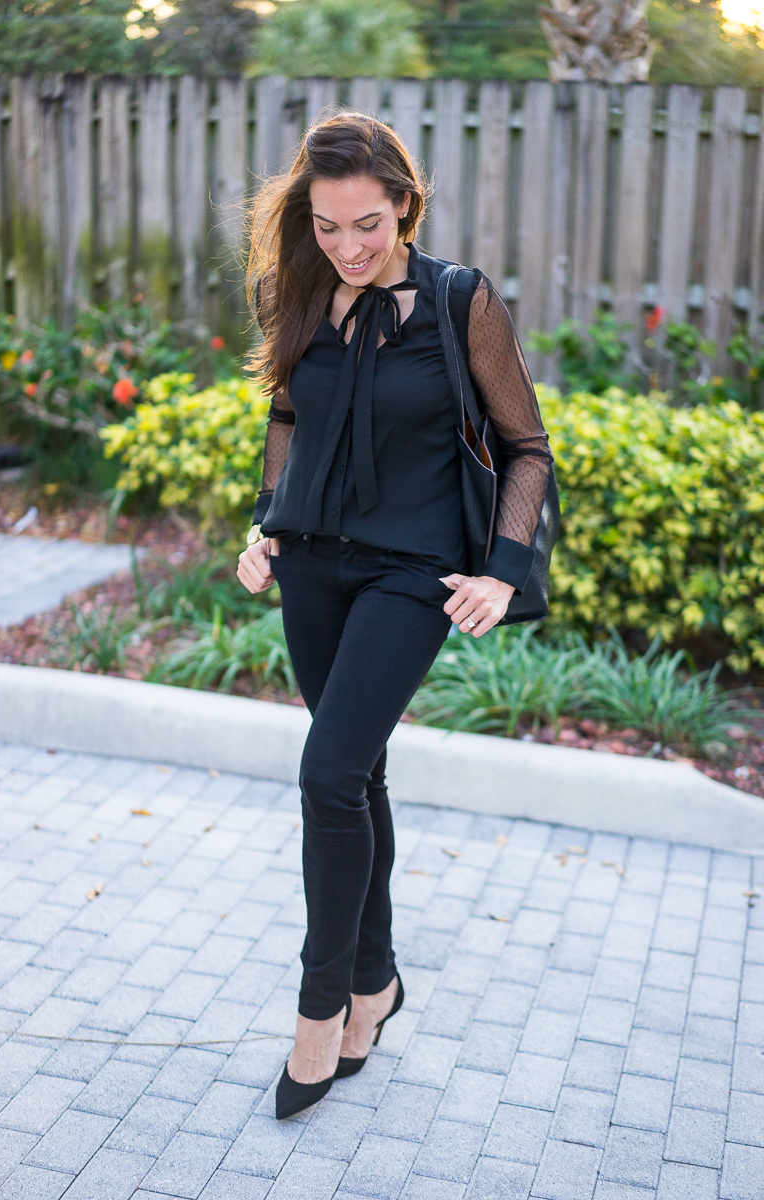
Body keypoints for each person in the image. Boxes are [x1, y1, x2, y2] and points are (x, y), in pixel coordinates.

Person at [236, 112, 553, 1120]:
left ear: (405, 205)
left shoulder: (459, 300)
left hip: (412, 573)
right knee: (356, 774)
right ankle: (376, 984)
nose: (347, 247)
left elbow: (526, 447)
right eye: (327, 226)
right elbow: (289, 417)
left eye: (366, 224)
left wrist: (500, 574)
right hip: (311, 568)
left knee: (326, 774)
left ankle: (319, 1011)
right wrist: (264, 524)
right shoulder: (297, 292)